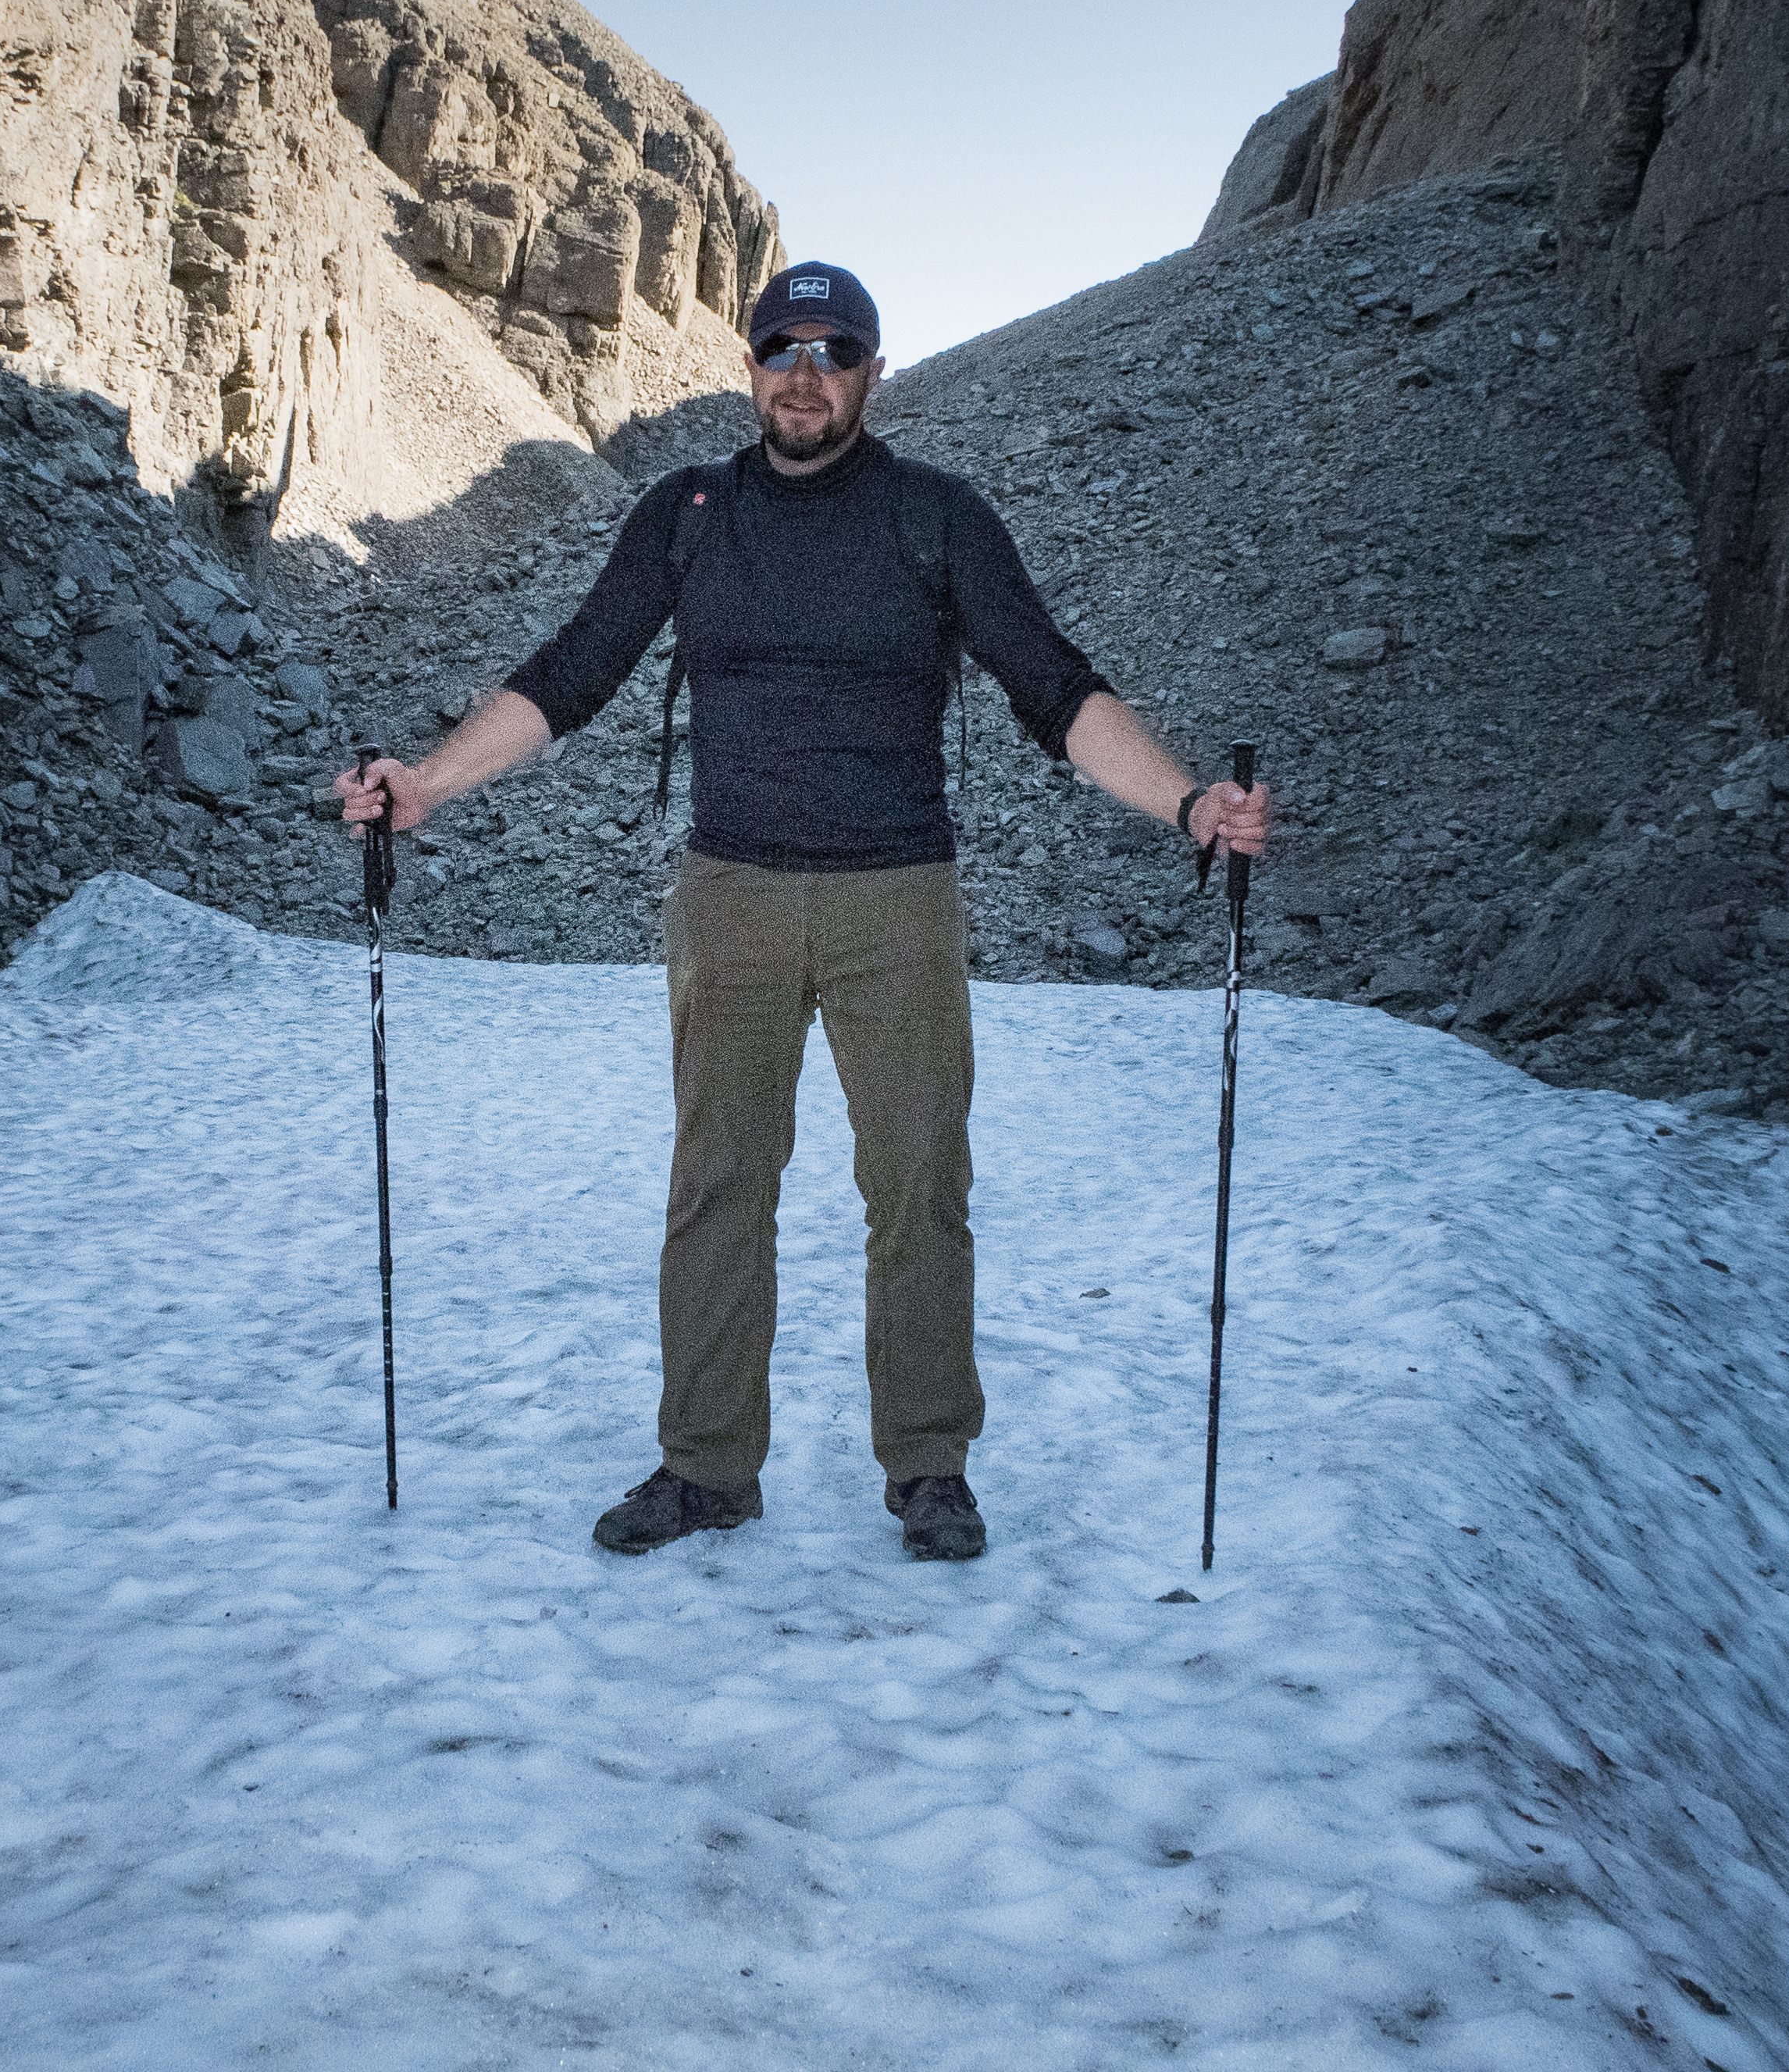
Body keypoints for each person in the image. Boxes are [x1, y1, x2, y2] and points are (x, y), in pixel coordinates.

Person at [338, 260, 1270, 1562]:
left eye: (835, 350)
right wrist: (426, 783)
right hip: (732, 894)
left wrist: (1188, 806)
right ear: (751, 365)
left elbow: (1057, 690)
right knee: (719, 1181)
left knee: (917, 1184)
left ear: (873, 373)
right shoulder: (690, 514)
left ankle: (930, 1466)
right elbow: (576, 667)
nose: (806, 371)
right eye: (784, 345)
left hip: (899, 894)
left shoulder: (936, 518)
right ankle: (707, 1465)